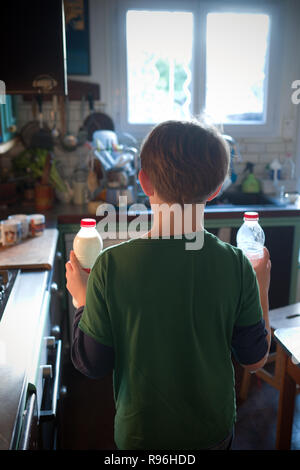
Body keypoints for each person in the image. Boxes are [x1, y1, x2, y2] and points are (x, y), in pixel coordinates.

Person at [66, 120, 271, 450]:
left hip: (141, 435)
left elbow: (92, 364)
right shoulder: (235, 264)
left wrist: (81, 299)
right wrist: (262, 284)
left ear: (143, 181)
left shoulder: (110, 265)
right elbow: (255, 358)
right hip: (212, 432)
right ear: (217, 189)